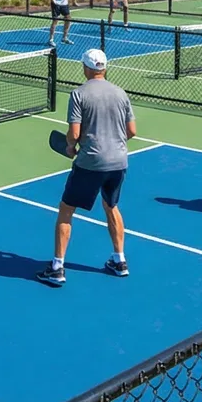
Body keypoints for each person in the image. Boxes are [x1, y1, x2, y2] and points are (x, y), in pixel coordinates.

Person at [40, 48, 135, 287]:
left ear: (85, 68)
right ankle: (120, 261)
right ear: (105, 68)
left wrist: (71, 147)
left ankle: (57, 268)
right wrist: (113, 144)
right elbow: (132, 131)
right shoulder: (121, 93)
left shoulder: (79, 94)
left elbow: (74, 134)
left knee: (66, 210)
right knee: (111, 206)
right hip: (119, 161)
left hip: (91, 162)